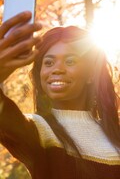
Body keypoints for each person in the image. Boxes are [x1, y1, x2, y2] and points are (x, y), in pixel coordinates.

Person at [0, 11, 120, 179]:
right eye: (48, 62)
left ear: (91, 74)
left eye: (70, 61)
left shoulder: (114, 134)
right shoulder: (38, 130)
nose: (57, 69)